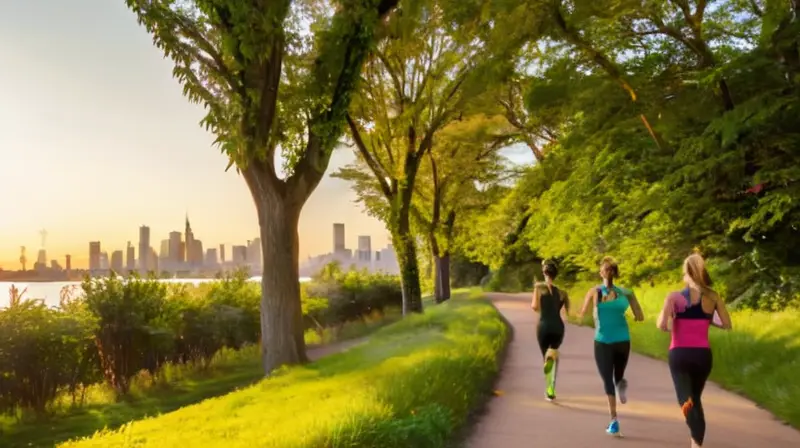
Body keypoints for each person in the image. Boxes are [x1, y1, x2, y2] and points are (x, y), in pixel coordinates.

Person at [657, 253, 732, 447]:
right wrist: (705, 319)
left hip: (680, 354)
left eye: (683, 275)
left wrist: (671, 317)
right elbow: (726, 324)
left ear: (687, 274)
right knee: (696, 400)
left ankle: (696, 438)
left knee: (686, 400)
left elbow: (661, 325)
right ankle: (695, 445)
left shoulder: (674, 297)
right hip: (702, 356)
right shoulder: (713, 296)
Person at [579, 256, 645, 437]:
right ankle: (621, 382)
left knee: (607, 379)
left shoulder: (594, 292)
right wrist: (626, 313)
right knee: (617, 375)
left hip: (603, 340)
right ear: (615, 273)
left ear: (601, 272)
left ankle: (614, 421)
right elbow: (640, 316)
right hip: (623, 340)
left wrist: (590, 314)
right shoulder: (627, 292)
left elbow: (582, 315)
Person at [530, 260, 569, 401]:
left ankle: (549, 389)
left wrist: (543, 308)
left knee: (546, 358)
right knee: (553, 354)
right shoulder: (562, 293)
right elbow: (566, 313)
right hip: (558, 327)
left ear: (544, 273)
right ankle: (551, 387)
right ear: (555, 274)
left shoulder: (539, 287)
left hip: (544, 325)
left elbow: (534, 306)